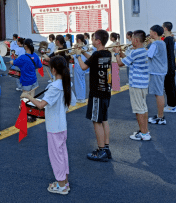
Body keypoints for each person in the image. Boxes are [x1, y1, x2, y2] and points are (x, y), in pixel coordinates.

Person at [21, 56, 76, 195]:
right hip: (61, 125)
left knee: (56, 156)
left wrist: (28, 96)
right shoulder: (64, 83)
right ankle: (64, 182)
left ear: (53, 69)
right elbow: (71, 102)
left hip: (54, 127)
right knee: (62, 154)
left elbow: (40, 105)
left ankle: (61, 185)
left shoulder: (55, 86)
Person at [77, 30, 112, 161]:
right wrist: (83, 52)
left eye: (93, 39)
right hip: (106, 91)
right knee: (104, 120)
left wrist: (78, 56)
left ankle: (101, 150)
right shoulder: (107, 53)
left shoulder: (97, 54)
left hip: (96, 92)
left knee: (96, 121)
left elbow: (84, 67)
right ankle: (106, 148)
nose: (92, 41)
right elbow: (92, 60)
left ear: (98, 41)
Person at [115, 30, 151, 141]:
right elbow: (129, 60)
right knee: (143, 108)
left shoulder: (136, 52)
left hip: (136, 84)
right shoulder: (144, 50)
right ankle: (144, 130)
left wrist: (116, 54)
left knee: (138, 109)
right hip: (143, 83)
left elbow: (120, 63)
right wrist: (121, 54)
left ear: (135, 40)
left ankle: (144, 134)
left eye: (132, 39)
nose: (131, 41)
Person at [11, 38, 43, 122]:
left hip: (26, 81)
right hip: (34, 80)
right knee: (32, 98)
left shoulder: (23, 57)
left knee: (25, 99)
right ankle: (32, 115)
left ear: (25, 46)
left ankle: (26, 116)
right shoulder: (35, 55)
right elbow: (39, 65)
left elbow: (14, 62)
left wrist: (12, 59)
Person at [145, 25, 168, 125]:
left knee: (158, 93)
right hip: (160, 70)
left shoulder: (155, 44)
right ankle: (160, 115)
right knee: (159, 93)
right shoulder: (161, 42)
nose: (149, 34)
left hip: (156, 71)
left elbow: (148, 55)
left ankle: (160, 117)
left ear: (154, 33)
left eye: (150, 32)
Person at [162, 22, 176, 113]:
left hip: (168, 65)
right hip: (172, 64)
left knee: (169, 86)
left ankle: (171, 105)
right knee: (172, 86)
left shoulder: (167, 39)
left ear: (165, 28)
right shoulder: (171, 38)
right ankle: (174, 105)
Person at [71, 34, 88, 103]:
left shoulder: (78, 47)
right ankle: (82, 97)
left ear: (78, 40)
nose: (75, 40)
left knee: (78, 82)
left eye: (76, 39)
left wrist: (74, 50)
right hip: (82, 64)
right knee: (82, 82)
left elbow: (73, 57)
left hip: (78, 65)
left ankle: (80, 98)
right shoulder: (84, 47)